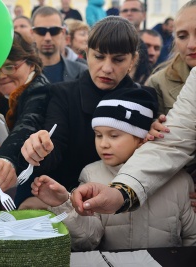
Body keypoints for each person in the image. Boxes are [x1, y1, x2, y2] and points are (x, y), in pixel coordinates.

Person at [31, 88, 196, 250]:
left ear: (142, 138)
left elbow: (191, 237)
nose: (103, 144)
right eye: (98, 135)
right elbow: (88, 239)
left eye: (114, 135)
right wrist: (63, 203)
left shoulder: (178, 180)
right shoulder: (91, 175)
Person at [17, 16, 157, 208]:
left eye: (118, 59)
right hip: (72, 206)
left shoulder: (146, 100)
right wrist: (41, 150)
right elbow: (54, 149)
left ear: (133, 60)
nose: (107, 68)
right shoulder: (63, 94)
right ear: (86, 53)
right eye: (99, 57)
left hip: (129, 208)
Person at [0, 32, 50, 198]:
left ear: (31, 64)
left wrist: (6, 158)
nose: (1, 76)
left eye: (9, 66)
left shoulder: (39, 91)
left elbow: (28, 124)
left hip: (38, 191)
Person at [31, 6, 87, 84]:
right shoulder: (23, 75)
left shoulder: (82, 72)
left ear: (63, 33)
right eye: (41, 31)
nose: (48, 38)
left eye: (54, 30)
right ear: (32, 34)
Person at [119, 0, 151, 84]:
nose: (129, 13)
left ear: (144, 15)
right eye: (125, 10)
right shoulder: (108, 39)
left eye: (134, 10)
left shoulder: (151, 40)